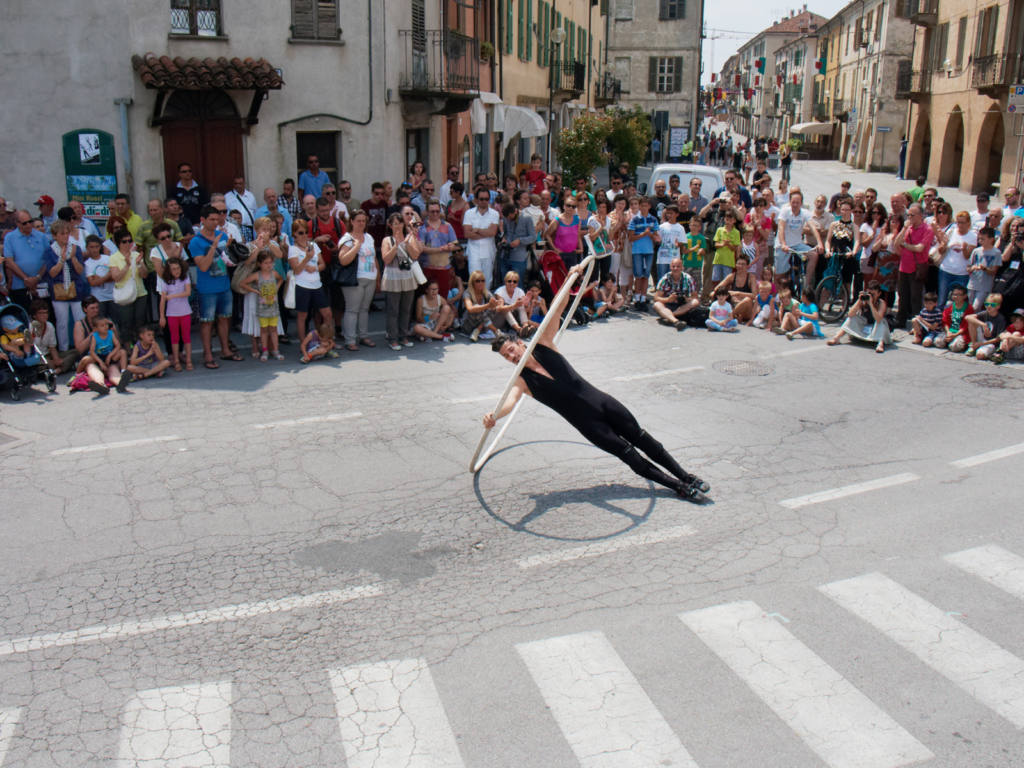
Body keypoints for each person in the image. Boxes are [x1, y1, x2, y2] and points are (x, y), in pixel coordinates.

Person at [484, 265, 710, 500]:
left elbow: (557, 308)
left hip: (603, 403)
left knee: (643, 439)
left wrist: (570, 279)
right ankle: (677, 487)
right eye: (506, 357)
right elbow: (509, 403)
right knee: (629, 455)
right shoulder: (522, 381)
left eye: (511, 350)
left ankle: (685, 476)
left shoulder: (543, 344)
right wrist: (494, 416)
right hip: (588, 425)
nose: (512, 357)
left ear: (520, 344)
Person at [189, 204, 238, 368]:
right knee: (207, 322)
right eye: (212, 219)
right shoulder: (195, 242)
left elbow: (229, 260)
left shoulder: (222, 235)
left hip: (224, 284)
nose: (215, 222)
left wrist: (233, 249)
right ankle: (207, 354)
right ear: (203, 220)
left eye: (217, 219)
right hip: (207, 289)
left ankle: (225, 350)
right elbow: (202, 266)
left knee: (225, 319)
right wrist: (214, 246)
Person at [45, 220, 89, 351]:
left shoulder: (76, 249)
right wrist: (62, 260)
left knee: (80, 320)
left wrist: (74, 257)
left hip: (76, 289)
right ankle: (64, 350)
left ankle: (83, 348)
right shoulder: (49, 251)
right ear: (55, 235)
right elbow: (52, 273)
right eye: (62, 234)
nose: (65, 236)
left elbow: (80, 270)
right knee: (62, 323)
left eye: (67, 233)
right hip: (58, 291)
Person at [381, 212, 421, 351]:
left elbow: (415, 254)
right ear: (390, 225)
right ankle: (392, 337)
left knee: (406, 309)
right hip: (393, 277)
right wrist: (396, 245)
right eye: (395, 224)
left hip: (407, 277)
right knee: (393, 309)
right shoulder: (387, 240)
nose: (398, 226)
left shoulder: (410, 238)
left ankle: (403, 336)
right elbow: (386, 259)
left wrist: (406, 242)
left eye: (400, 223)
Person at [240, 248, 284, 361]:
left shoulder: (274, 273)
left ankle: (275, 350)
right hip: (262, 308)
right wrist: (254, 291)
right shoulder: (257, 275)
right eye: (266, 263)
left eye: (270, 262)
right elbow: (243, 283)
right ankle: (265, 350)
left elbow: (281, 279)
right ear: (260, 264)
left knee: (273, 329)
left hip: (273, 307)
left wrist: (277, 288)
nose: (269, 265)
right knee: (263, 330)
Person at [893, 204, 933, 328]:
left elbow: (920, 248)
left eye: (912, 215)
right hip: (903, 267)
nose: (909, 217)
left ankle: (917, 324)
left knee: (915, 298)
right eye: (908, 215)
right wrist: (904, 229)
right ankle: (901, 320)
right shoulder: (908, 229)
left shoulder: (927, 229)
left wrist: (905, 245)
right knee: (902, 295)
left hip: (917, 268)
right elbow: (896, 243)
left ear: (920, 216)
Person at [3, 209, 50, 310]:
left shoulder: (42, 237)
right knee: (25, 315)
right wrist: (26, 279)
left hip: (42, 284)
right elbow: (9, 262)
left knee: (45, 315)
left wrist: (37, 278)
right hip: (20, 286)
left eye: (30, 221)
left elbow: (48, 259)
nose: (29, 225)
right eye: (25, 223)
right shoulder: (10, 238)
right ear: (17, 223)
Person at [108, 231, 148, 345]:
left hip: (140, 293)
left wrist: (140, 263)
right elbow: (116, 278)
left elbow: (144, 275)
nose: (128, 244)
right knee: (126, 323)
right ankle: (128, 347)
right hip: (125, 294)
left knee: (140, 322)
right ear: (118, 243)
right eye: (124, 241)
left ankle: (141, 347)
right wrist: (127, 265)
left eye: (130, 241)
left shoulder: (136, 255)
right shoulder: (114, 258)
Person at [827, 282, 890, 353]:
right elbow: (850, 314)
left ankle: (880, 344)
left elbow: (878, 319)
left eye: (873, 294)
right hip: (864, 325)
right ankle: (836, 338)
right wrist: (859, 300)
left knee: (882, 323)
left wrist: (871, 305)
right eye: (869, 293)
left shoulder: (881, 303)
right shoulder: (863, 300)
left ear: (879, 294)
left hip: (876, 327)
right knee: (852, 318)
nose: (871, 296)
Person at [158, 256, 193, 371]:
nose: (176, 271)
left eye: (178, 268)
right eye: (173, 269)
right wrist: (162, 316)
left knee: (186, 337)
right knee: (174, 338)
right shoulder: (165, 281)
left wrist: (172, 296)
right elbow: (163, 300)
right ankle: (176, 361)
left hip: (185, 312)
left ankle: (188, 360)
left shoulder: (185, 278)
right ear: (169, 270)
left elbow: (188, 292)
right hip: (171, 313)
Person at [462, 188, 501, 288]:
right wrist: (485, 232)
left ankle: (486, 302)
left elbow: (493, 232)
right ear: (476, 199)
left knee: (487, 279)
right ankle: (475, 302)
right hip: (473, 251)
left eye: (486, 199)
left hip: (489, 251)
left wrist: (477, 230)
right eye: (481, 199)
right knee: (474, 278)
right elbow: (467, 234)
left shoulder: (494, 214)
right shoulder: (469, 213)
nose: (484, 201)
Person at [83, 315, 130, 393]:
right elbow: (92, 352)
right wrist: (101, 363)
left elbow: (118, 345)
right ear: (96, 329)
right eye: (102, 325)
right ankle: (101, 385)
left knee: (113, 372)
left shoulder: (110, 333)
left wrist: (110, 356)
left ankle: (121, 382)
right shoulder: (95, 336)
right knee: (92, 368)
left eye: (106, 324)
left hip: (109, 358)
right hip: (98, 359)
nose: (105, 327)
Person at [627, 196, 659, 310]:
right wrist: (643, 234)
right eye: (642, 205)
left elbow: (656, 236)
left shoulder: (653, 219)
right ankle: (637, 298)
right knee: (638, 275)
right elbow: (630, 237)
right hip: (637, 251)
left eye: (646, 205)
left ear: (649, 206)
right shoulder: (634, 220)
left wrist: (651, 235)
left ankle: (643, 298)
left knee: (646, 275)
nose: (644, 208)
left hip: (649, 251)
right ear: (639, 206)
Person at [27, 299, 74, 372]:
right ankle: (60, 368)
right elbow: (28, 349)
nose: (44, 315)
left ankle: (58, 369)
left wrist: (56, 359)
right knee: (49, 364)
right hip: (36, 357)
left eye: (46, 313)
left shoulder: (49, 325)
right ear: (34, 315)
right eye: (41, 313)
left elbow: (52, 347)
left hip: (48, 354)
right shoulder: (30, 327)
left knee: (75, 352)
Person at [651, 257, 698, 330]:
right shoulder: (665, 279)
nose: (675, 268)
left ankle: (669, 317)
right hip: (668, 305)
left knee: (695, 302)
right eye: (673, 266)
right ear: (670, 267)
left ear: (682, 267)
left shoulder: (688, 279)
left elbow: (695, 297)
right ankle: (676, 321)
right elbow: (656, 298)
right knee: (657, 304)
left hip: (682, 306)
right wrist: (668, 299)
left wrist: (687, 299)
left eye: (678, 266)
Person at [967, 227, 1002, 311]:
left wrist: (985, 269)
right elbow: (968, 267)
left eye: (983, 239)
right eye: (979, 239)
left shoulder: (996, 253)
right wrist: (972, 268)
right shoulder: (976, 251)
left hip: (985, 285)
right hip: (972, 283)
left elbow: (994, 271)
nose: (980, 241)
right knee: (970, 307)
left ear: (991, 239)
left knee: (976, 307)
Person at [963, 293, 1007, 359]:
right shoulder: (984, 313)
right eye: (987, 304)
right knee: (972, 321)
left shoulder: (1000, 319)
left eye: (992, 305)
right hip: (981, 338)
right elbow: (968, 317)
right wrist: (983, 324)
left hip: (990, 342)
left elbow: (998, 338)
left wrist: (982, 344)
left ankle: (987, 352)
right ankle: (974, 345)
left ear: (998, 306)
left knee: (979, 356)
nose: (988, 306)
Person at [502, 202, 535, 286]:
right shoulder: (506, 218)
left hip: (519, 257)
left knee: (518, 284)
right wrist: (504, 239)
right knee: (504, 283)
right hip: (505, 255)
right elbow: (506, 233)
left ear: (515, 212)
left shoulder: (527, 218)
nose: (508, 219)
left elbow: (533, 237)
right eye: (507, 218)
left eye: (510, 217)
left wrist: (520, 240)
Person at [462, 269, 500, 342]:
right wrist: (488, 305)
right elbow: (470, 309)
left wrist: (496, 302)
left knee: (493, 308)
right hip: (468, 325)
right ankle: (496, 331)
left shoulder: (485, 292)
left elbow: (493, 302)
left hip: (481, 324)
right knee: (477, 308)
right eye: (477, 281)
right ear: (472, 282)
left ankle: (478, 330)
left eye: (483, 281)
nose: (481, 283)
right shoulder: (467, 293)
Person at [935, 284, 974, 351]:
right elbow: (945, 322)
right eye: (954, 294)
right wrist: (948, 332)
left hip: (960, 333)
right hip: (950, 331)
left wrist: (955, 335)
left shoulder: (969, 308)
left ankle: (955, 342)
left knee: (955, 347)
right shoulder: (949, 306)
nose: (956, 296)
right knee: (938, 342)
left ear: (965, 296)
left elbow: (966, 326)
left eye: (959, 295)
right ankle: (949, 341)